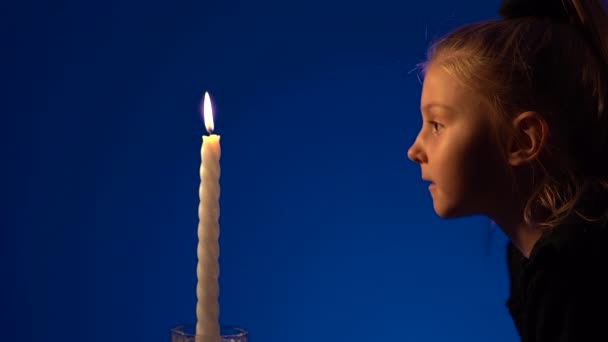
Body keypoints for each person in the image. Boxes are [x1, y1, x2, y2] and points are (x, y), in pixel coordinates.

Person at [406, 0, 608, 341]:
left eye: (437, 124)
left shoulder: (574, 271)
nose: (414, 151)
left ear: (522, 140)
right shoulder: (526, 256)